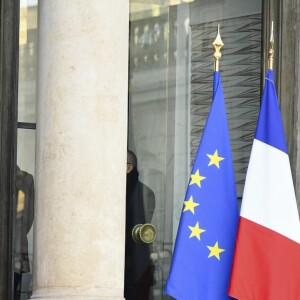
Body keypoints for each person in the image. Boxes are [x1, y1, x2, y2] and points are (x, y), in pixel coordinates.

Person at [124, 150, 156, 300]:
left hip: (136, 268)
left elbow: (140, 229)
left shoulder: (144, 193)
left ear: (129, 168)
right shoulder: (112, 191)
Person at [14, 166, 34, 300]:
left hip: (16, 245)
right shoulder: (25, 179)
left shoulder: (25, 179)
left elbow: (27, 216)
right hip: (17, 244)